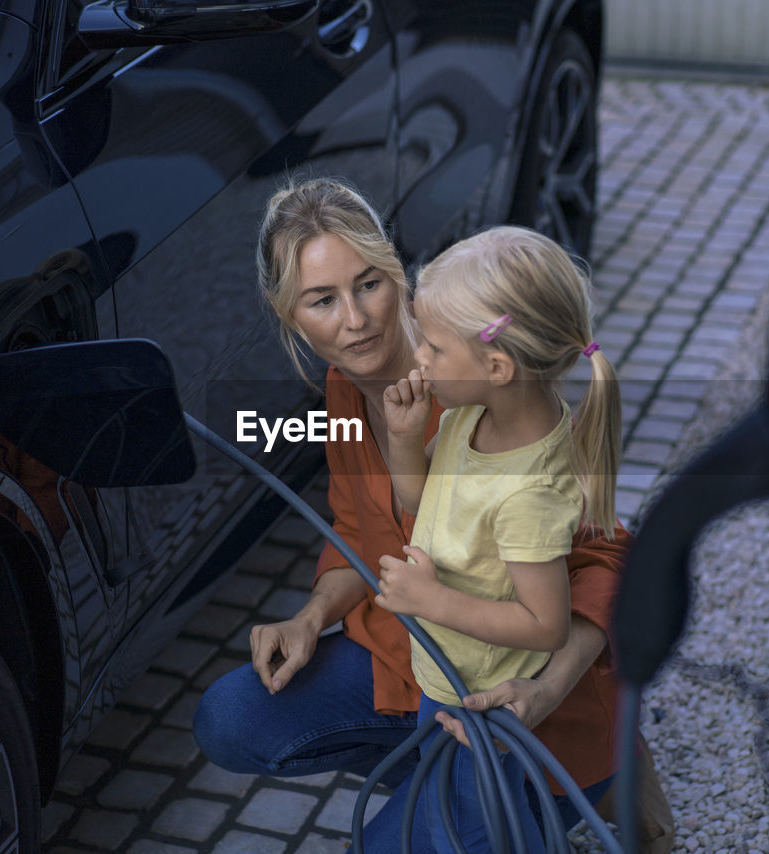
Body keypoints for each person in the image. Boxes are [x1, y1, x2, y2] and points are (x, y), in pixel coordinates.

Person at [193, 178, 630, 852]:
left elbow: (604, 555)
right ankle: (444, 796)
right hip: (413, 668)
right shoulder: (343, 389)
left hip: (517, 697)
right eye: (322, 300)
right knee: (228, 719)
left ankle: (499, 804)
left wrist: (546, 688)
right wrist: (311, 615)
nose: (357, 319)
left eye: (368, 283)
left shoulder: (477, 383)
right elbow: (354, 530)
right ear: (290, 317)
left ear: (397, 271)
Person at [375, 225, 622, 853]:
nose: (419, 360)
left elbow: (546, 626)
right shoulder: (467, 416)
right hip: (446, 674)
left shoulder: (530, 491)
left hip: (481, 699)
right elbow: (419, 500)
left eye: (432, 346)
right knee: (467, 811)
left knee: (477, 830)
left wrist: (432, 603)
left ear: (496, 365)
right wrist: (404, 441)